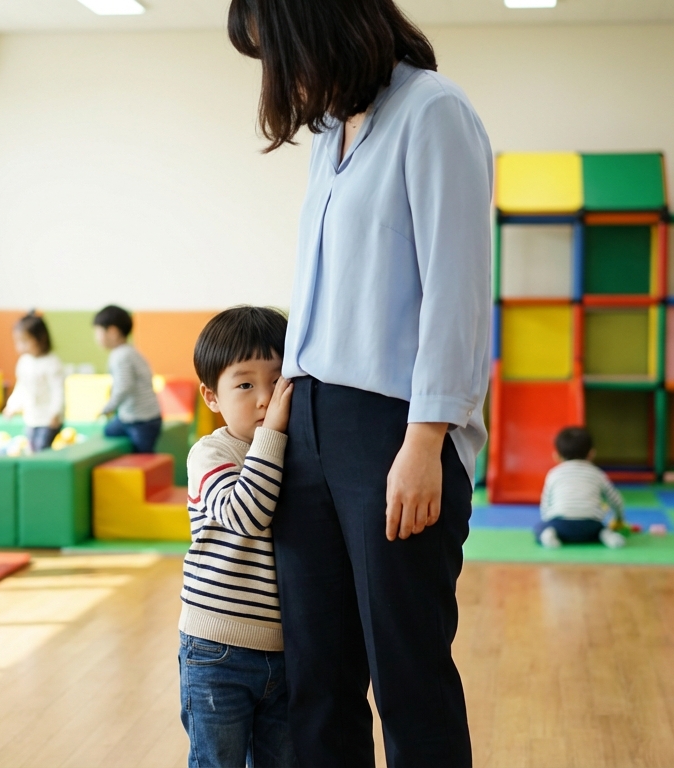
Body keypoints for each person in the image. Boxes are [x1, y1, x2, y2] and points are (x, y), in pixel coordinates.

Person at [229, 0, 492, 763]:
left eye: (278, 51)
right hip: (307, 420)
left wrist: (426, 439)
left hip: (393, 428)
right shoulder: (328, 135)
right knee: (318, 678)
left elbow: (456, 291)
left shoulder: (432, 111)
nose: (281, 75)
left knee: (408, 675)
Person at [179, 306, 296, 768]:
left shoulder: (291, 451)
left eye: (277, 381)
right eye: (245, 385)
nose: (265, 398)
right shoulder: (210, 453)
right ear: (212, 397)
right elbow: (245, 514)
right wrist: (273, 434)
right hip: (216, 649)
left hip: (284, 649)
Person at [535, 427, 627, 549]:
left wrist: (548, 522)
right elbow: (615, 500)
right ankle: (606, 535)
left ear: (556, 456)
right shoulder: (597, 474)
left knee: (539, 527)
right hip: (590, 526)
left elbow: (545, 504)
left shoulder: (553, 474)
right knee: (601, 528)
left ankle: (549, 535)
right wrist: (619, 518)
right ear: (592, 454)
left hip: (561, 526)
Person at [93, 305, 163, 454]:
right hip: (133, 417)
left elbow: (124, 387)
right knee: (108, 431)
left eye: (98, 332)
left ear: (113, 332)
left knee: (142, 456)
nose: (96, 337)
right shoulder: (130, 351)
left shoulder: (121, 356)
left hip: (141, 421)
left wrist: (108, 408)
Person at [4, 311, 66, 453]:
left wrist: (55, 412)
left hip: (48, 418)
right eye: (18, 342)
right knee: (31, 448)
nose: (20, 346)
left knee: (41, 448)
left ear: (40, 339)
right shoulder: (24, 362)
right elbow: (21, 387)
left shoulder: (52, 363)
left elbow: (58, 390)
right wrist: (12, 406)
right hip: (32, 417)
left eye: (25, 341)